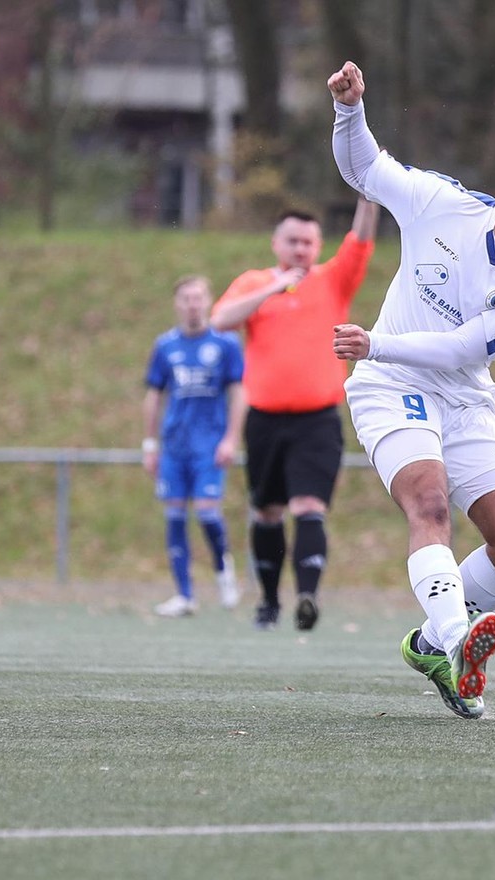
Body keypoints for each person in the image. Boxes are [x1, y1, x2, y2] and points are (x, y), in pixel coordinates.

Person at [325, 60, 495, 719]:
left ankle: (430, 641)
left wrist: (376, 338)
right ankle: (457, 639)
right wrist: (350, 111)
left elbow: (460, 349)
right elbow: (366, 171)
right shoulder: (441, 204)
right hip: (390, 385)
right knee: (428, 507)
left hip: (460, 395)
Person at [211, 198, 378, 631]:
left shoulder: (332, 281)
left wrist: (368, 192)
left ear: (318, 245)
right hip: (264, 419)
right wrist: (274, 286)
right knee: (267, 511)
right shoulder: (254, 282)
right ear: (276, 243)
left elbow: (361, 239)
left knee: (308, 505)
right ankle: (268, 601)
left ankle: (307, 595)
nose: (300, 249)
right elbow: (221, 320)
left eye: (308, 242)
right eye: (292, 241)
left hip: (317, 419)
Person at [142, 275, 246, 618]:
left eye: (198, 297)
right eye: (186, 298)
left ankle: (223, 570)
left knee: (206, 512)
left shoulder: (226, 344)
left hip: (208, 446)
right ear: (177, 304)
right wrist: (149, 443)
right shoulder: (165, 346)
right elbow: (154, 395)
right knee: (173, 516)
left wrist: (231, 438)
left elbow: (239, 393)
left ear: (208, 300)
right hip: (174, 446)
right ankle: (184, 595)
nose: (192, 304)